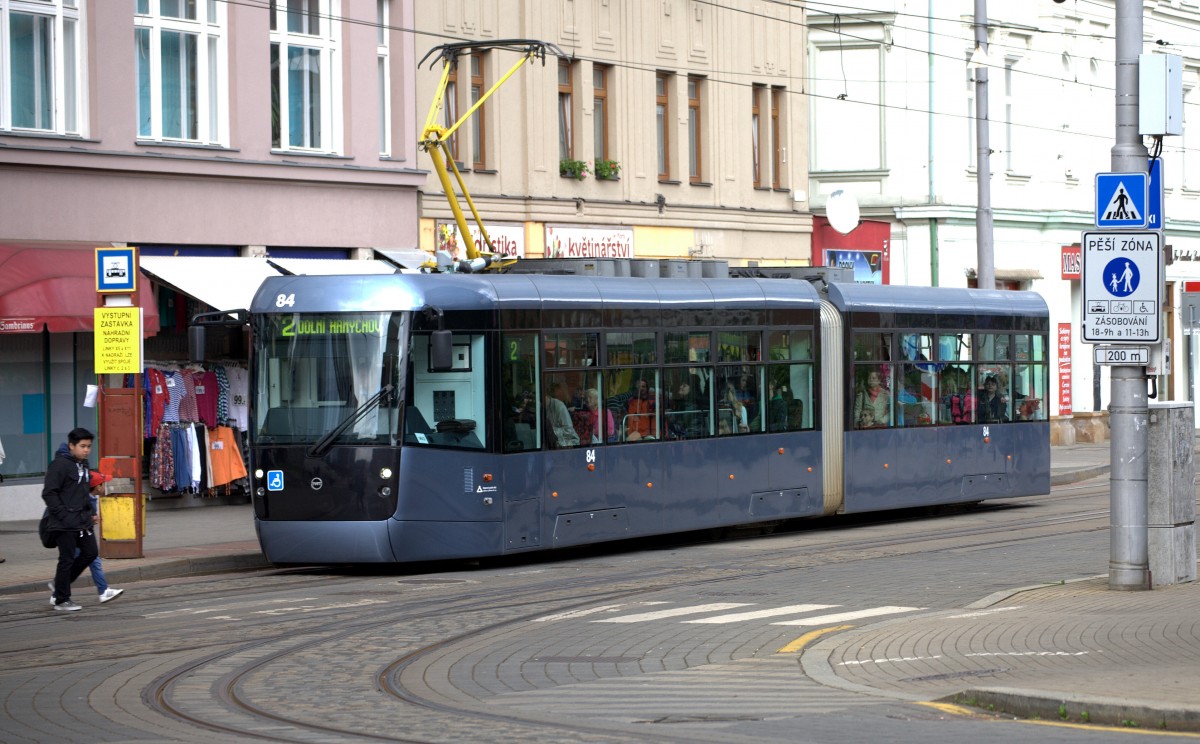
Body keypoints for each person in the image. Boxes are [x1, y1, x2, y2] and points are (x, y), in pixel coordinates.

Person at [42, 428, 100, 612]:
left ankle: (59, 586)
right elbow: (49, 493)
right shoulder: (59, 465)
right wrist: (63, 515)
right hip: (64, 522)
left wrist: (90, 513)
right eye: (82, 446)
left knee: (90, 552)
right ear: (71, 446)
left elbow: (83, 493)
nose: (86, 450)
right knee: (66, 559)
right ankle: (62, 599)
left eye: (89, 446)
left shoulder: (83, 464)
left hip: (82, 521)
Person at [49, 469, 125, 606]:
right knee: (86, 561)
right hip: (78, 535)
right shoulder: (85, 499)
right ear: (97, 487)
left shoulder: (90, 497)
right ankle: (102, 591)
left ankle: (57, 593)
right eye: (103, 484)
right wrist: (91, 519)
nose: (105, 486)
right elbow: (77, 515)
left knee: (89, 561)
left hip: (82, 534)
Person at [544, 382, 579, 448]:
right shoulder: (538, 408)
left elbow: (569, 431)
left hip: (564, 444)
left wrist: (552, 431)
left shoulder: (559, 406)